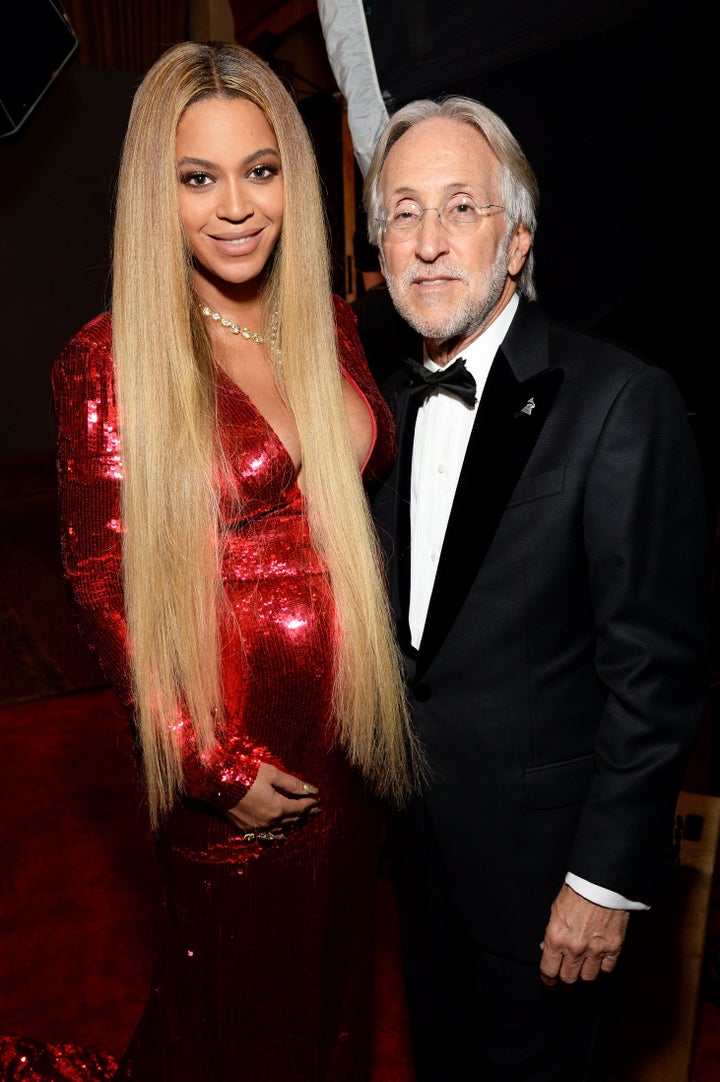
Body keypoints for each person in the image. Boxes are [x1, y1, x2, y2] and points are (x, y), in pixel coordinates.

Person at [50, 40, 423, 1082]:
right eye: (197, 177)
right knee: (239, 1020)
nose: (235, 206)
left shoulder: (333, 324)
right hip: (239, 758)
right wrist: (207, 761)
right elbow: (102, 584)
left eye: (260, 170)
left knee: (334, 997)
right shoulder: (109, 353)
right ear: (154, 192)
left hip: (353, 745)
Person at [365, 95, 710, 1080]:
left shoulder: (619, 402)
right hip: (421, 859)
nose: (429, 242)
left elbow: (659, 675)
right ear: (378, 243)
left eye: (461, 209)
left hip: (551, 880)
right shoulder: (373, 407)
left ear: (516, 239)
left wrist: (604, 877)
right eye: (403, 211)